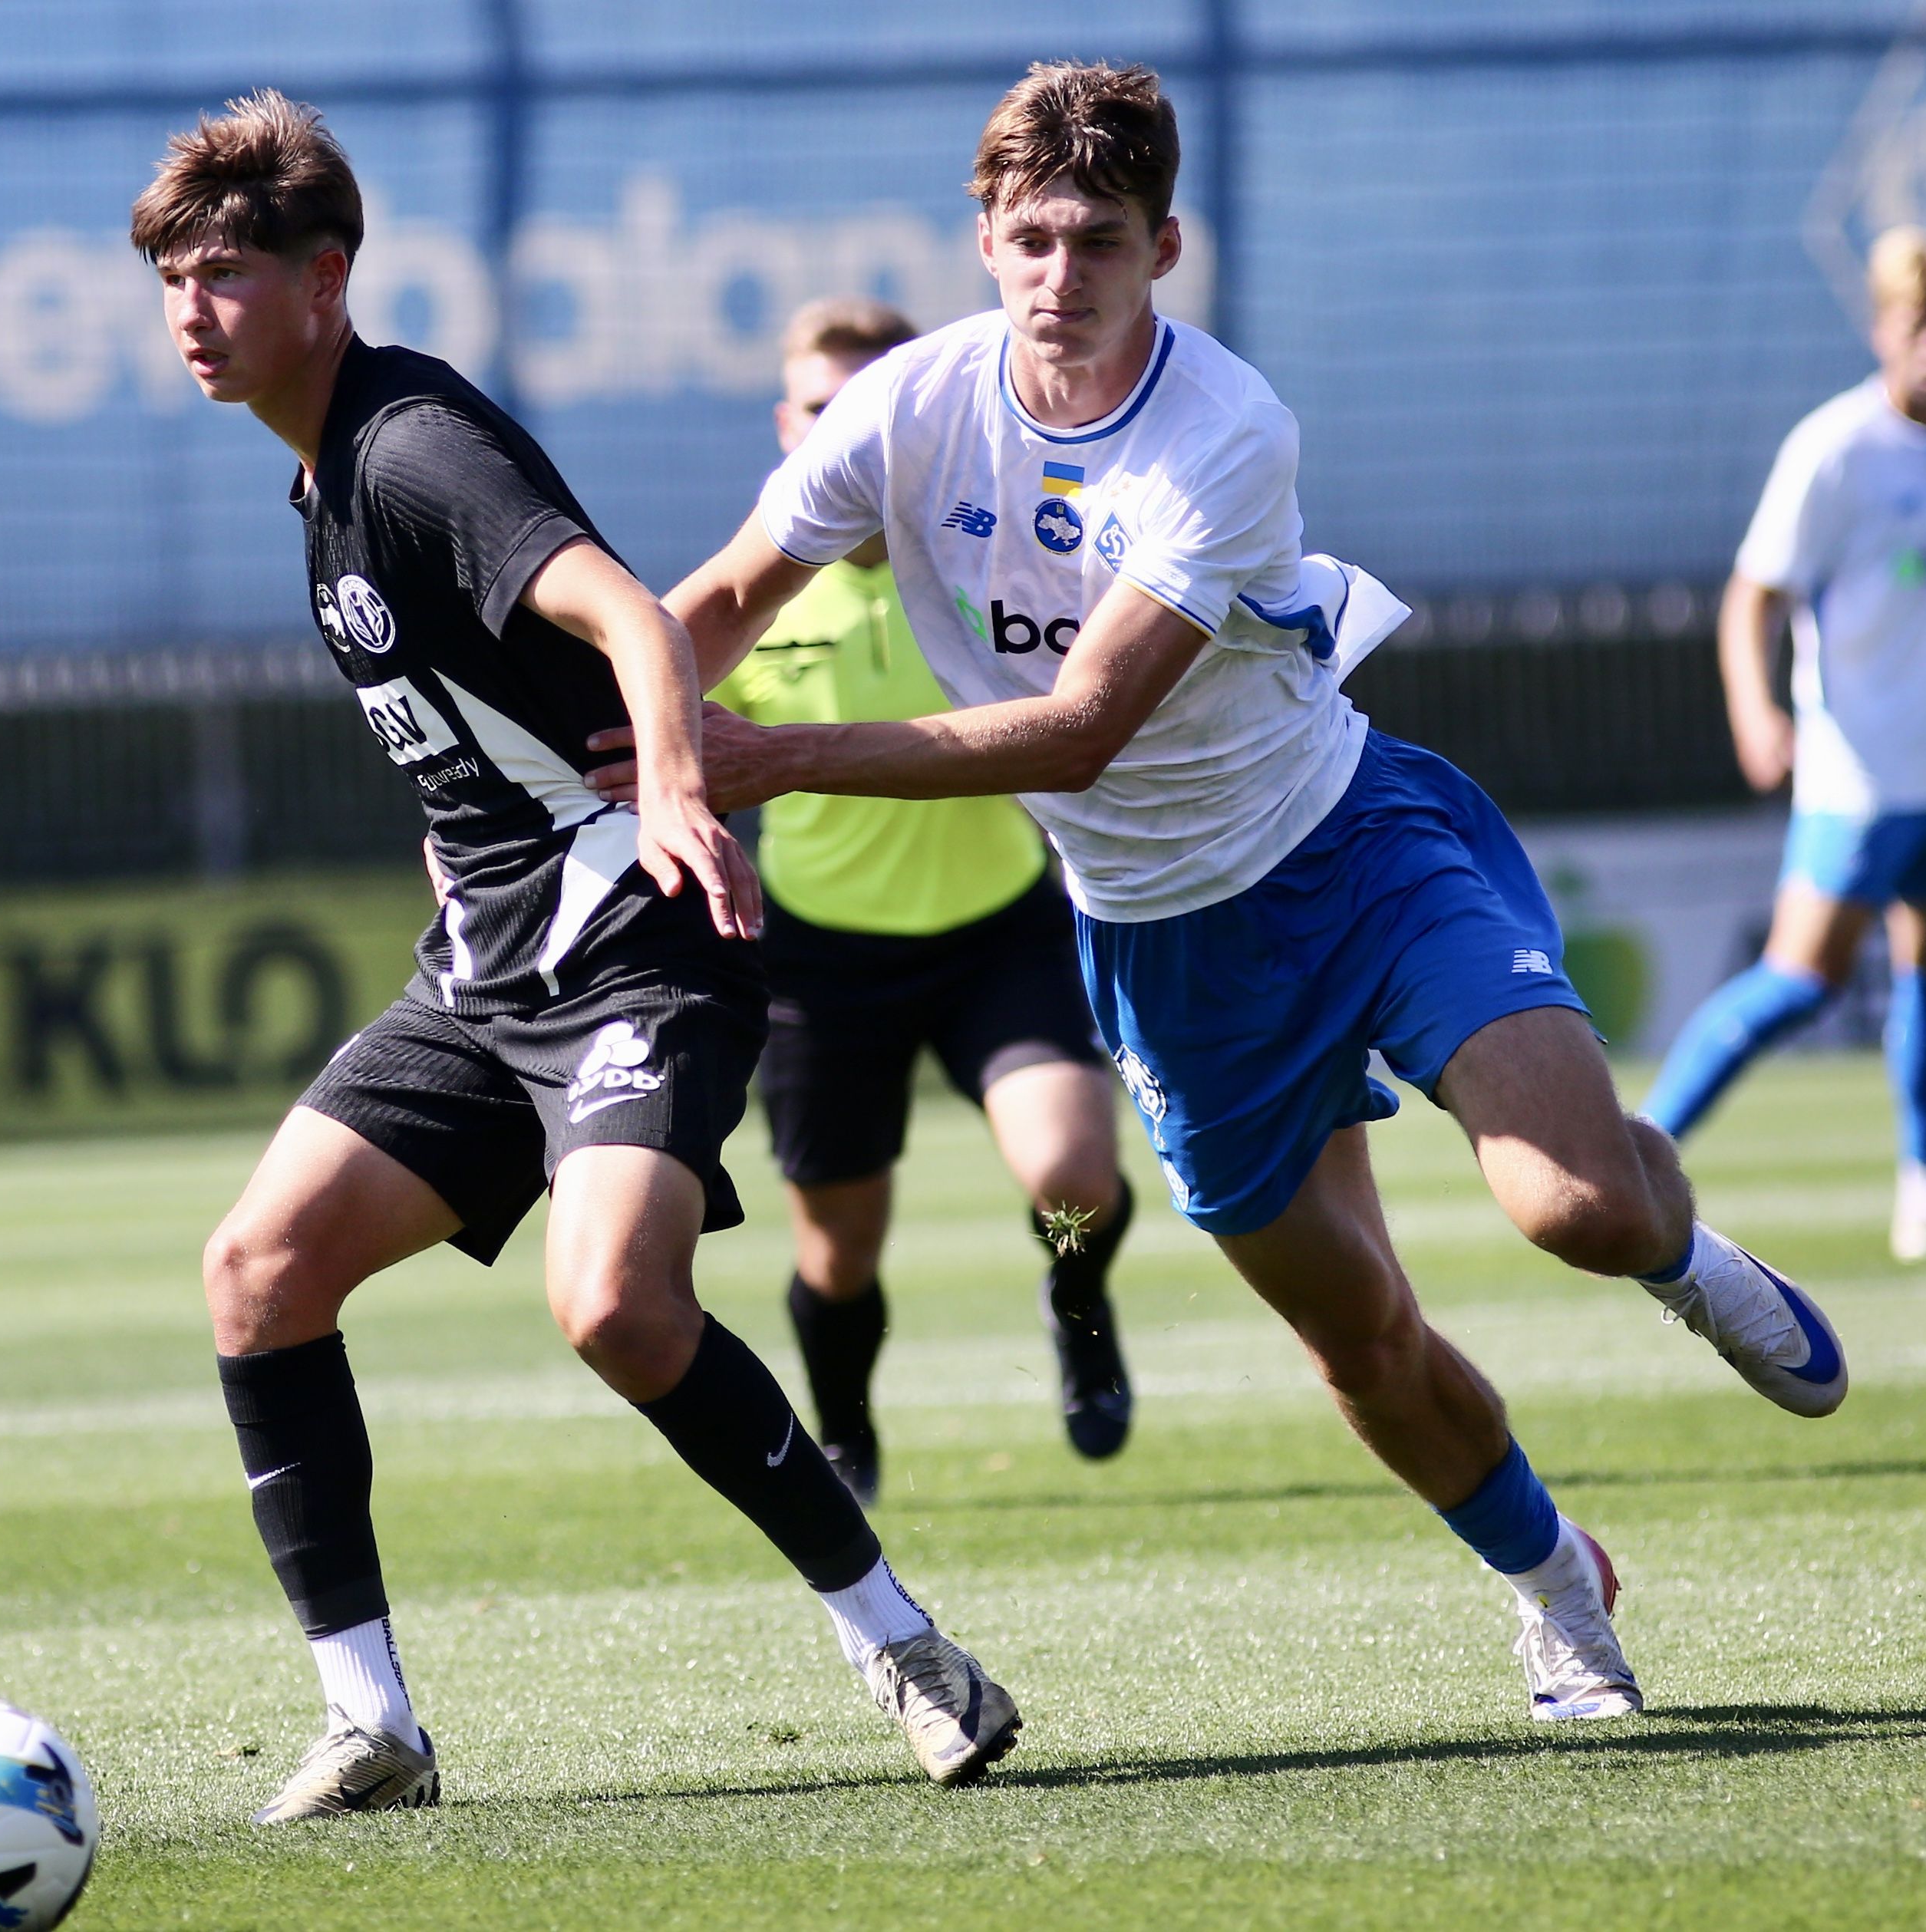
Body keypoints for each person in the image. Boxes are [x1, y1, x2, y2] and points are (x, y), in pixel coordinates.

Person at [601, 61, 1852, 1724]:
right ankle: (1558, 1585)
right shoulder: (901, 407)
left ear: (1164, 246)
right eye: (1033, 237)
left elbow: (1085, 725)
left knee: (1577, 1207)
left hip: (1353, 851)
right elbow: (719, 602)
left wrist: (774, 759)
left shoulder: (1225, 426)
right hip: (1161, 944)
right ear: (983, 237)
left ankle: (1684, 1252)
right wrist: (563, 764)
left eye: (1099, 241)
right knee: (1360, 1341)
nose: (1063, 276)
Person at [138, 91, 1020, 1821]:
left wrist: (681, 794)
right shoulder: (323, 486)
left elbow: (626, 612)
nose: (191, 307)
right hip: (484, 977)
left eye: (226, 272)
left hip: (638, 950)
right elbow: (466, 740)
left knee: (613, 1301)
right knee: (257, 1272)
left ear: (328, 280)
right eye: (172, 274)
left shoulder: (406, 449)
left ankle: (903, 1645)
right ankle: (372, 1721)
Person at [708, 295, 1135, 1507]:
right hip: (821, 963)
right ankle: (844, 1426)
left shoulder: (984, 561)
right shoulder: (750, 597)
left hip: (998, 933)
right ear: (785, 426)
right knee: (837, 1256)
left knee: (1071, 1179)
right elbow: (651, 729)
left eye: (865, 404)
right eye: (817, 404)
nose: (841, 426)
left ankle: (1075, 1290)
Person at [1639, 228, 1926, 1264]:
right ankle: (1635, 1149)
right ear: (1883, 330)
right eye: (1912, 323)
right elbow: (1751, 597)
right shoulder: (1833, 451)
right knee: (1799, 978)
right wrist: (1757, 712)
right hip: (1858, 777)